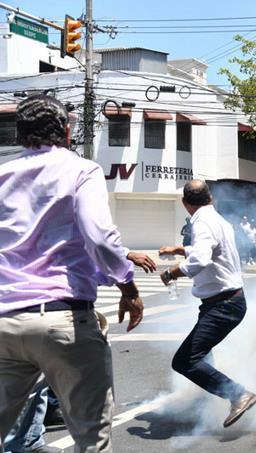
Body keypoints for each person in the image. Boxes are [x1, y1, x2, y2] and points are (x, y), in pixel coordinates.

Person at [0, 94, 144, 453]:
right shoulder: (81, 169)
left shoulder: (2, 175)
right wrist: (127, 285)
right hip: (62, 319)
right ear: (67, 131)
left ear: (20, 134)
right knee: (91, 438)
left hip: (4, 321)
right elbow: (100, 237)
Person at [158, 180, 256, 428]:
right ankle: (206, 402)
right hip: (225, 302)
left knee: (185, 361)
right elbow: (211, 249)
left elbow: (201, 259)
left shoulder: (202, 222)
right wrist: (181, 249)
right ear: (210, 198)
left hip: (223, 306)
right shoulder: (218, 220)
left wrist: (171, 272)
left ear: (184, 203)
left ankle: (238, 394)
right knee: (202, 355)